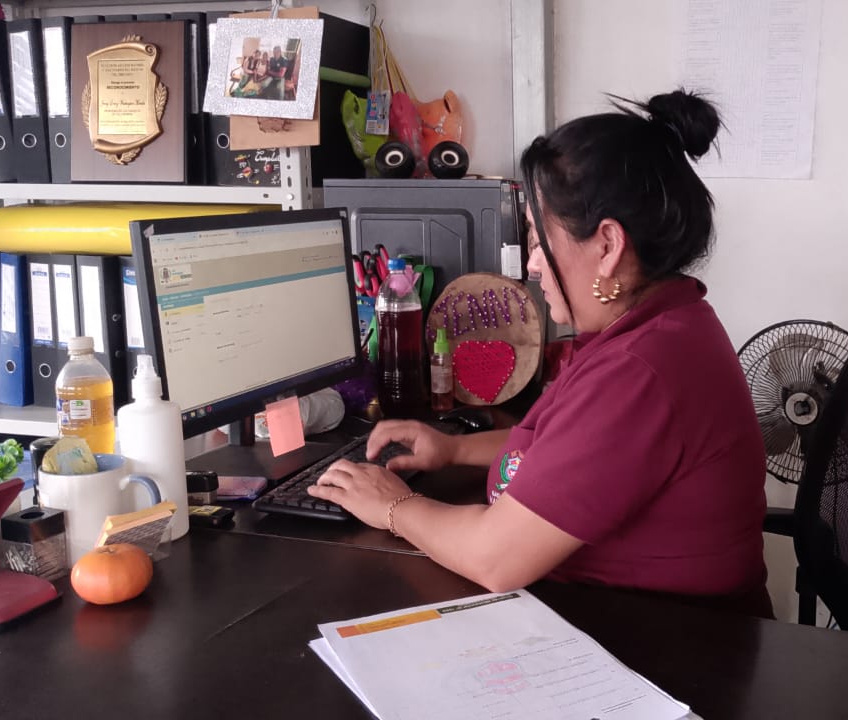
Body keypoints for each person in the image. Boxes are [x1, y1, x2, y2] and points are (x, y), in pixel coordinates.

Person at [309, 89, 771, 617]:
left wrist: (393, 505)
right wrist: (453, 450)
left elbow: (495, 557)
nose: (531, 263)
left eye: (536, 237)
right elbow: (562, 446)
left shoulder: (640, 371)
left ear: (607, 246)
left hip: (674, 642)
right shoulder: (658, 326)